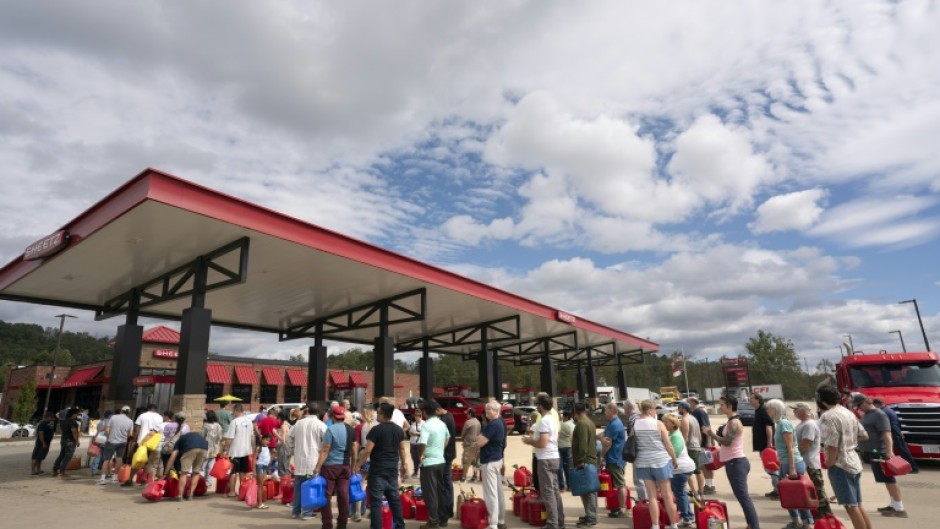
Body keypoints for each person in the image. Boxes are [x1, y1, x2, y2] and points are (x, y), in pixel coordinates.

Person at [817, 385, 870, 529]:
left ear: (821, 399)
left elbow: (832, 446)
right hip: (854, 461)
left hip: (840, 465)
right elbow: (864, 435)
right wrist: (848, 438)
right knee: (857, 504)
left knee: (850, 507)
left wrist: (829, 463)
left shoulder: (828, 417)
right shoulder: (847, 412)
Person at [707, 395, 760, 529]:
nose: (720, 407)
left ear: (729, 406)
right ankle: (751, 524)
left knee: (744, 498)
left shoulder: (734, 422)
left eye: (722, 405)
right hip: (733, 462)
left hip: (736, 463)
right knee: (742, 497)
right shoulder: (731, 421)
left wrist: (711, 434)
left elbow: (727, 442)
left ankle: (754, 526)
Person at [355, 402, 410, 529]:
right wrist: (404, 464)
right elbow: (402, 448)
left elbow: (368, 450)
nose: (376, 415)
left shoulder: (376, 430)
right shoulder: (398, 430)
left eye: (378, 413)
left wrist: (358, 465)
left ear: (383, 414)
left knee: (376, 503)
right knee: (394, 500)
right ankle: (400, 526)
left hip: (377, 470)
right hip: (392, 469)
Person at [853, 393, 907, 518]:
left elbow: (887, 434)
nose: (858, 408)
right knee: (885, 479)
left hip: (881, 451)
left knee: (889, 479)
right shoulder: (867, 414)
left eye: (859, 405)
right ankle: (894, 504)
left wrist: (889, 451)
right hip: (874, 451)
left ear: (867, 402)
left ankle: (899, 508)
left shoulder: (879, 415)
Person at [766, 399, 813, 529]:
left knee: (797, 494)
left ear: (775, 409)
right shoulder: (779, 424)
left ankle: (805, 522)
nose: (767, 411)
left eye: (769, 408)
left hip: (792, 464)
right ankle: (797, 521)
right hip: (786, 463)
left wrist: (791, 467)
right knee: (788, 494)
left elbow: (790, 447)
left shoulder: (784, 424)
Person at [634, 400, 679, 529]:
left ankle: (655, 525)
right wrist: (674, 459)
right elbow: (668, 445)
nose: (656, 412)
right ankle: (674, 524)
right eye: (655, 410)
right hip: (660, 461)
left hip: (643, 461)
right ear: (649, 410)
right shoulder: (658, 424)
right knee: (667, 495)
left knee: (652, 496)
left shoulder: (635, 424)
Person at [522, 393, 565, 529]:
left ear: (540, 406)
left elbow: (542, 443)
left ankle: (552, 523)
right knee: (555, 490)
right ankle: (559, 521)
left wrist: (530, 441)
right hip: (554, 457)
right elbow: (555, 439)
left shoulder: (545, 420)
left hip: (545, 459)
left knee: (548, 493)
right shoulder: (553, 418)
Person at [314, 405, 355, 529]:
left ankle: (327, 524)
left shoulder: (330, 429)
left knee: (326, 495)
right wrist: (353, 466)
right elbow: (354, 450)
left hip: (330, 467)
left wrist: (317, 467)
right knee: (343, 495)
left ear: (332, 416)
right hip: (345, 467)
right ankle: (342, 524)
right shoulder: (351, 430)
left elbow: (325, 450)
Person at [791, 402, 832, 517]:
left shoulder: (809, 425)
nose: (794, 411)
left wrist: (793, 457)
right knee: (810, 489)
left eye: (796, 409)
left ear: (803, 411)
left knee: (817, 488)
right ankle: (816, 511)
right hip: (805, 461)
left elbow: (805, 444)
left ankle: (825, 513)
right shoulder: (802, 424)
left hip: (810, 462)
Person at [287, 403, 328, 519]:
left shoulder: (298, 423)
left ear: (307, 411)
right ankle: (307, 512)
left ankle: (295, 511)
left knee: (298, 486)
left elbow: (289, 437)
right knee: (310, 486)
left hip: (299, 460)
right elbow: (327, 441)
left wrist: (292, 449)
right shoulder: (321, 425)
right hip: (313, 460)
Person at [418, 400, 451, 529]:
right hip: (440, 460)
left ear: (424, 412)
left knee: (430, 493)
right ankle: (443, 518)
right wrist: (440, 449)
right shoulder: (441, 423)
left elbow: (423, 442)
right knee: (440, 491)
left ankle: (433, 521)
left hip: (429, 462)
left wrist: (421, 454)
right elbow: (447, 437)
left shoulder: (426, 425)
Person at [477, 401, 507, 529]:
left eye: (488, 409)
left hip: (490, 461)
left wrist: (479, 437)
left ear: (495, 411)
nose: (486, 412)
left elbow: (480, 442)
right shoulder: (500, 422)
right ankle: (500, 520)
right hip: (497, 459)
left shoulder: (493, 424)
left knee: (491, 494)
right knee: (498, 492)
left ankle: (493, 523)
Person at [662, 414, 696, 527]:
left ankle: (686, 517)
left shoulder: (676, 436)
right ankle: (689, 515)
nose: (664, 424)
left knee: (680, 493)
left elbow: (673, 453)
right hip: (682, 468)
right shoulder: (672, 434)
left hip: (681, 469)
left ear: (673, 423)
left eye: (666, 422)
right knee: (681, 493)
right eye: (664, 422)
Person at [872, 398, 918, 473]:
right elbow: (898, 421)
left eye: (875, 405)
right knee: (901, 450)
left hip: (893, 431)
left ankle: (913, 467)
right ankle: (896, 466)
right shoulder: (889, 410)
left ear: (878, 404)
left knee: (902, 451)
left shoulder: (883, 412)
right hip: (896, 430)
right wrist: (900, 431)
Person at [571, 402, 598, 529]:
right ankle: (589, 514)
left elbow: (582, 445)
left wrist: (580, 460)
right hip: (590, 460)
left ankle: (591, 517)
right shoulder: (590, 422)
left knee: (588, 491)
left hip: (585, 461)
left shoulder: (581, 424)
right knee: (588, 490)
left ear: (575, 411)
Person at [163, 429, 208, 501]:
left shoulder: (180, 439)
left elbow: (172, 457)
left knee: (184, 472)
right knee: (196, 472)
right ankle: (190, 495)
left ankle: (180, 496)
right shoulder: (196, 436)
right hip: (204, 448)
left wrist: (165, 473)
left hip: (191, 448)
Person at [599, 401, 627, 517]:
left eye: (606, 409)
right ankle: (619, 506)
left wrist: (602, 456)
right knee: (617, 484)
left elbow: (607, 443)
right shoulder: (612, 423)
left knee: (620, 484)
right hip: (614, 457)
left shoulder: (615, 424)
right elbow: (603, 435)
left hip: (615, 458)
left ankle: (623, 508)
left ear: (612, 410)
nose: (605, 412)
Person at [124, 403, 163, 485]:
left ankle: (130, 480)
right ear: (155, 409)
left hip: (142, 442)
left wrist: (134, 440)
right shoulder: (160, 417)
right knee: (147, 462)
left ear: (148, 408)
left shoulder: (142, 416)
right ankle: (144, 479)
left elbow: (137, 429)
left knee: (137, 460)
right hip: (153, 443)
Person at [221, 403, 255, 496]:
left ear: (236, 411)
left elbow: (230, 438)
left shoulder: (234, 422)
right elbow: (252, 437)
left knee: (233, 471)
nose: (232, 413)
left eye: (233, 411)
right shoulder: (249, 422)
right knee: (243, 471)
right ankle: (242, 491)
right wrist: (253, 448)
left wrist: (225, 449)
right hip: (246, 450)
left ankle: (232, 491)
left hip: (235, 451)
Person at [352, 405, 376, 522]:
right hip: (376, 457)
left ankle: (357, 512)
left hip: (364, 454)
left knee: (360, 484)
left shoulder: (361, 426)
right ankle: (373, 510)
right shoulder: (377, 425)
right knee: (375, 485)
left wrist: (356, 460)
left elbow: (357, 443)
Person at [750, 393, 777, 498]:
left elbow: (769, 427)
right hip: (762, 445)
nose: (750, 400)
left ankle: (778, 491)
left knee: (771, 468)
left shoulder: (763, 410)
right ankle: (776, 489)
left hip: (765, 446)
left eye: (752, 398)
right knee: (769, 469)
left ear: (758, 400)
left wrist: (769, 445)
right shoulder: (758, 411)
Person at [99, 405, 133, 484]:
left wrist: (108, 436)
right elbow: (130, 434)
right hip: (122, 442)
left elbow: (107, 428)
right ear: (128, 413)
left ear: (121, 410)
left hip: (111, 441)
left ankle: (102, 479)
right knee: (119, 458)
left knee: (107, 460)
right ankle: (114, 478)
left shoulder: (114, 417)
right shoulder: (130, 421)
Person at [676, 401, 703, 502]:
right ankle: (701, 492)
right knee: (698, 471)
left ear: (683, 409)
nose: (678, 410)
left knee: (689, 472)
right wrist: (699, 445)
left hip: (689, 447)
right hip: (696, 446)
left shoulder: (685, 419)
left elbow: (685, 436)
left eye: (679, 408)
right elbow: (699, 434)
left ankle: (695, 493)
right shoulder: (694, 418)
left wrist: (682, 449)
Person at [687, 397, 715, 495]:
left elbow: (706, 426)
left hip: (703, 442)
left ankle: (708, 486)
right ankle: (710, 485)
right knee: (707, 464)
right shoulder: (696, 412)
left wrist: (708, 441)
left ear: (693, 403)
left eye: (688, 403)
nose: (687, 405)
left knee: (704, 465)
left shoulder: (699, 412)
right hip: (702, 442)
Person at [437, 403, 458, 518]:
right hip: (449, 453)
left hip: (446, 454)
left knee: (445, 482)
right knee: (446, 481)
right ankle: (448, 507)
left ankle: (447, 508)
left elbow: (445, 439)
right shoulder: (449, 416)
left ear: (439, 409)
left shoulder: (445, 419)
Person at [52, 407, 80, 479]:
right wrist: (77, 441)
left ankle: (55, 469)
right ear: (73, 414)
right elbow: (74, 433)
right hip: (70, 441)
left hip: (63, 439)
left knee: (61, 455)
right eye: (77, 414)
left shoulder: (63, 421)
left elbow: (61, 431)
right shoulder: (73, 423)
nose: (77, 416)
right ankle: (62, 472)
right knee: (67, 457)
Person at [201, 410, 223, 487]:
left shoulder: (205, 425)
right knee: (210, 466)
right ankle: (208, 482)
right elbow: (220, 437)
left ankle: (201, 482)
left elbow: (202, 436)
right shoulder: (218, 426)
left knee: (203, 466)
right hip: (215, 448)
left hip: (206, 448)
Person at [31, 411, 57, 476]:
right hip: (41, 443)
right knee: (36, 457)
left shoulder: (48, 424)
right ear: (48, 417)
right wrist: (43, 443)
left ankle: (38, 469)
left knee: (40, 458)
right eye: (51, 418)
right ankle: (33, 470)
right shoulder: (42, 424)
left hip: (46, 443)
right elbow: (40, 434)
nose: (52, 419)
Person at [460, 408, 482, 482]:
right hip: (477, 444)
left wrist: (463, 438)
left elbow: (463, 433)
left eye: (467, 414)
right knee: (475, 462)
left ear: (470, 414)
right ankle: (475, 476)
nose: (466, 415)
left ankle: (463, 477)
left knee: (466, 462)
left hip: (469, 445)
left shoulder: (468, 422)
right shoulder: (478, 422)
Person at [253, 434, 273, 508]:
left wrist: (268, 469)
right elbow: (254, 459)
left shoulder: (267, 447)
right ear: (262, 439)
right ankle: (259, 503)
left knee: (261, 485)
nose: (267, 442)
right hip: (260, 467)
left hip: (264, 467)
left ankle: (259, 502)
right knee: (260, 485)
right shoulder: (258, 448)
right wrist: (254, 470)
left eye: (269, 441)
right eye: (266, 440)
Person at [558, 410, 574, 492]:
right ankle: (570, 486)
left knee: (559, 467)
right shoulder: (572, 425)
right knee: (568, 467)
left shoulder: (559, 424)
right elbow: (572, 437)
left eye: (563, 416)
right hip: (568, 446)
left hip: (559, 446)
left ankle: (561, 486)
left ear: (565, 417)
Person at [275, 408, 293, 477]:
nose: (277, 420)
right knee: (286, 466)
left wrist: (276, 433)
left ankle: (285, 484)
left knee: (283, 468)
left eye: (278, 418)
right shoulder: (288, 424)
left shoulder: (283, 426)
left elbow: (283, 439)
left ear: (281, 418)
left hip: (284, 448)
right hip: (288, 448)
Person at [408, 411, 423, 478]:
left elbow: (425, 433)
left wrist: (416, 433)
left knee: (420, 458)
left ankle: (422, 472)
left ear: (420, 416)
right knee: (414, 458)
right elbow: (410, 433)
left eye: (417, 416)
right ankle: (415, 471)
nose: (416, 417)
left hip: (420, 444)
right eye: (415, 416)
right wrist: (411, 433)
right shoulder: (413, 424)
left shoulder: (424, 424)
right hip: (413, 443)